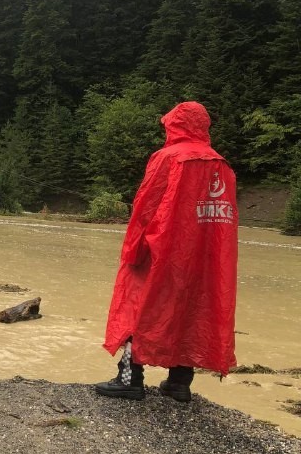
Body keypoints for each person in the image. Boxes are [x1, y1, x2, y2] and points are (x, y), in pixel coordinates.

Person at [95, 101, 238, 402]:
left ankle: (129, 380)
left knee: (138, 306)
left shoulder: (168, 158)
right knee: (192, 311)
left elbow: (145, 209)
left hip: (163, 252)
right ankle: (179, 384)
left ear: (176, 125)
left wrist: (132, 251)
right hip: (206, 260)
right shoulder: (222, 165)